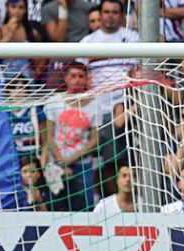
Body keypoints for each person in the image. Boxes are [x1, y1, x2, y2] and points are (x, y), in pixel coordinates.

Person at [44, 62, 99, 212]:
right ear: (66, 78)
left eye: (81, 76)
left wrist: (71, 159)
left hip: (83, 164)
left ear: (86, 79)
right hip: (57, 163)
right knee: (55, 207)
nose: (77, 80)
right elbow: (48, 137)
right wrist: (61, 161)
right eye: (73, 76)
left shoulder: (94, 105)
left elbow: (95, 140)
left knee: (84, 210)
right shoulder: (54, 102)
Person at [77, 0, 140, 122]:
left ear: (122, 15)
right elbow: (80, 74)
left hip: (130, 105)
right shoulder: (87, 42)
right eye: (106, 12)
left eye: (115, 12)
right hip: (98, 108)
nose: (110, 15)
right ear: (100, 14)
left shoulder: (134, 38)